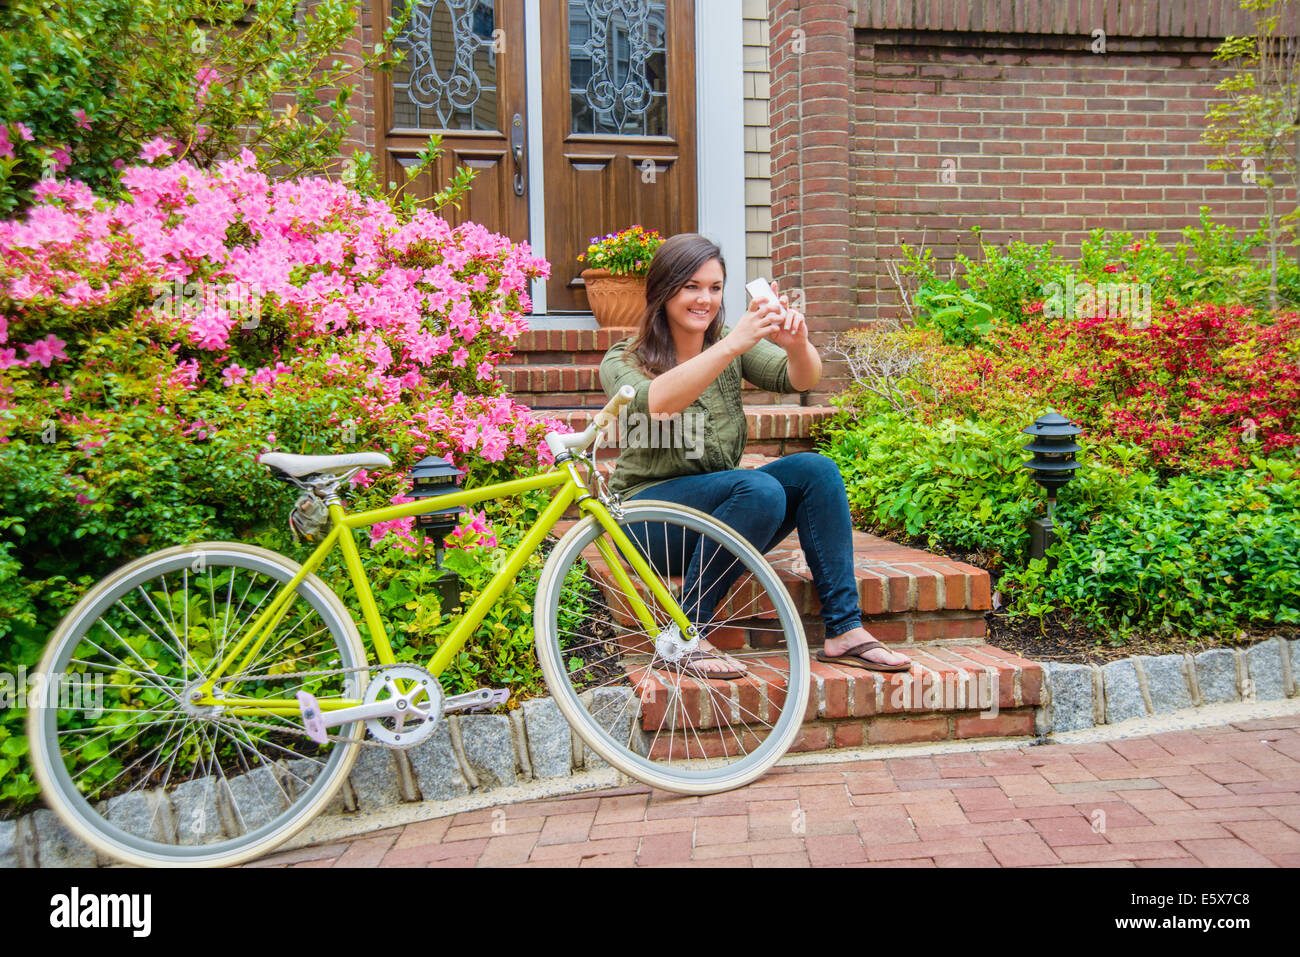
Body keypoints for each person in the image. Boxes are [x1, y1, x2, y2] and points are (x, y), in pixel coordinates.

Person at [598, 233, 912, 678]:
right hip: (647, 523)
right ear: (663, 290)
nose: (705, 299)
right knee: (759, 488)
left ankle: (845, 629)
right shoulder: (622, 358)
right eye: (691, 286)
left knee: (815, 470)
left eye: (714, 287)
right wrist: (731, 345)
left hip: (722, 515)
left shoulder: (727, 341)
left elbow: (800, 379)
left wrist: (796, 344)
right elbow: (655, 403)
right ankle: (685, 633)